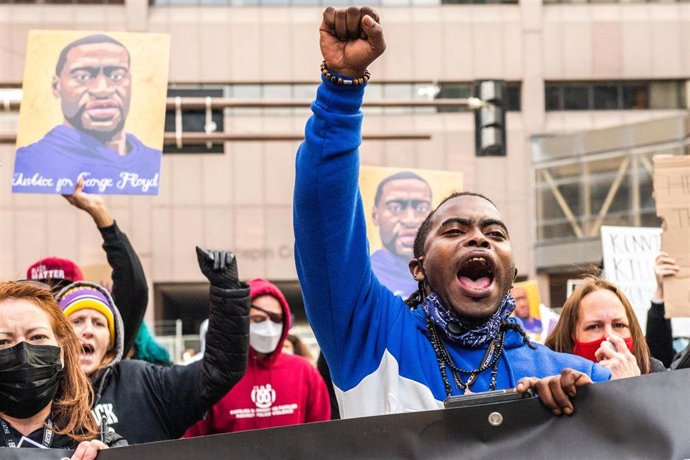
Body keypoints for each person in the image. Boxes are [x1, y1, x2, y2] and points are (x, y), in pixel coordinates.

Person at [293, 6, 610, 420]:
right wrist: (340, 91)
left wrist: (584, 416)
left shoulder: (579, 380)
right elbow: (323, 219)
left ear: (512, 273)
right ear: (418, 269)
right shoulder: (371, 334)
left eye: (495, 234)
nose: (478, 238)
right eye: (455, 230)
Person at [56, 247, 250, 444]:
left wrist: (227, 292)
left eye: (99, 323)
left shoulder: (143, 382)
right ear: (58, 336)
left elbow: (219, 370)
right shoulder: (40, 391)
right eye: (77, 321)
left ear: (110, 341)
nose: (89, 330)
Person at [13, 34, 161, 195]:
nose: (102, 90)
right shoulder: (30, 162)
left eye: (117, 76)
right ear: (56, 86)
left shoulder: (153, 162)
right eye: (83, 77)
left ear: (130, 82)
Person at [184, 279, 330, 435]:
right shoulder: (214, 376)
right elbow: (193, 441)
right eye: (258, 319)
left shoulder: (304, 372)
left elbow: (322, 436)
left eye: (276, 319)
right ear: (241, 321)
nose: (268, 327)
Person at [25, 176, 148, 359]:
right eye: (42, 296)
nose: (52, 304)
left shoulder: (103, 356)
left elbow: (134, 289)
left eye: (61, 292)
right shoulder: (20, 359)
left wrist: (100, 214)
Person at [0, 281, 125, 456]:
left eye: (37, 336)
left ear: (61, 353)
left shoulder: (99, 446)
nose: (24, 352)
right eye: (3, 341)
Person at [545, 277, 665, 377]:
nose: (610, 335)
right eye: (594, 327)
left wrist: (632, 385)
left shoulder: (657, 375)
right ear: (572, 337)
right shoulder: (550, 389)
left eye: (619, 325)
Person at [370, 171, 432, 298]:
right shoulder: (362, 277)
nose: (410, 220)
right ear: (375, 215)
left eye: (421, 209)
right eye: (395, 208)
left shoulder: (443, 279)